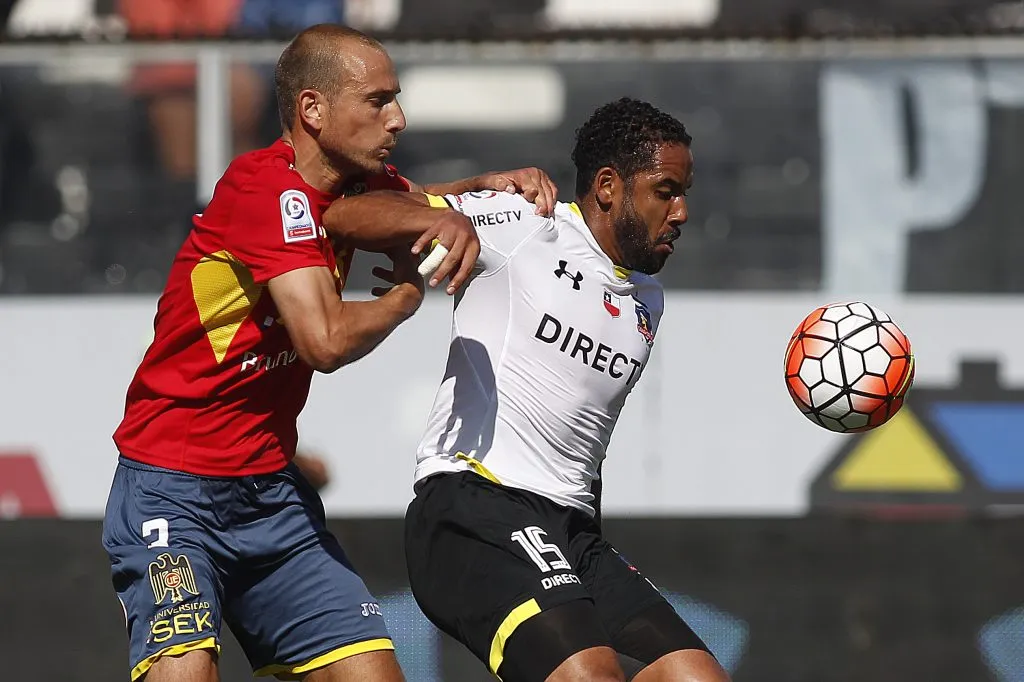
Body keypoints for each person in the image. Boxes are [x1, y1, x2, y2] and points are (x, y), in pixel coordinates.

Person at [101, 24, 557, 682]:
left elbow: (414, 204)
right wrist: (402, 300)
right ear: (312, 110)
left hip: (272, 498)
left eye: (396, 98)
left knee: (373, 674)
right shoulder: (266, 190)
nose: (397, 118)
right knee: (185, 671)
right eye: (378, 101)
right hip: (173, 495)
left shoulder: (350, 185)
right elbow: (323, 342)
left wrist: (487, 184)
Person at [327, 98, 732, 682]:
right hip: (472, 505)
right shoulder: (522, 223)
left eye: (684, 193)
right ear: (609, 186)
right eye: (665, 190)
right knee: (590, 675)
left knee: (697, 677)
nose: (682, 212)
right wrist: (443, 216)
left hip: (572, 531)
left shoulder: (649, 300)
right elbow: (346, 214)